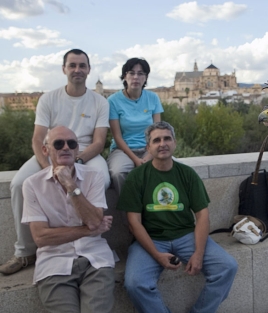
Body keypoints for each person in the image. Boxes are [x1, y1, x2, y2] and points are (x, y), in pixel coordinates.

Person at [0, 48, 110, 276]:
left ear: (89, 70)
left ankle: (92, 238)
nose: (77, 70)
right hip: (53, 151)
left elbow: (99, 142)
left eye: (82, 65)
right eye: (72, 65)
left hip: (85, 153)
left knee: (105, 180)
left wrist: (74, 161)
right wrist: (51, 167)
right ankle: (24, 251)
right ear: (64, 69)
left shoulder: (99, 101)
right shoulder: (49, 99)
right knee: (20, 183)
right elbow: (38, 139)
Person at [117, 121, 237, 313]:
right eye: (156, 140)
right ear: (148, 147)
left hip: (186, 236)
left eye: (167, 138)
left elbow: (203, 216)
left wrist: (198, 254)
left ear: (175, 143)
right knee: (134, 283)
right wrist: (157, 255)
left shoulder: (187, 174)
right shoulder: (137, 177)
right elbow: (133, 223)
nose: (162, 144)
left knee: (227, 267)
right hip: (151, 240)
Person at [21, 126, 115, 312]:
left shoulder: (93, 176)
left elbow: (95, 220)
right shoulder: (32, 184)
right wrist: (88, 230)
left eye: (71, 143)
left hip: (95, 260)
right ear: (45, 150)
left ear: (77, 149)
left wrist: (70, 185)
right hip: (54, 263)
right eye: (58, 143)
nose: (66, 147)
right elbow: (41, 238)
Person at [107, 58, 164, 195]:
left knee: (170, 167)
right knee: (118, 172)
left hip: (149, 148)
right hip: (123, 150)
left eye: (141, 73)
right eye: (131, 73)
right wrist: (136, 160)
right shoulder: (113, 101)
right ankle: (128, 210)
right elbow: (117, 136)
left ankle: (160, 211)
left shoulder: (153, 98)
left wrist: (149, 155)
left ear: (145, 78)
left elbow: (157, 132)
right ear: (125, 76)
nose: (136, 77)